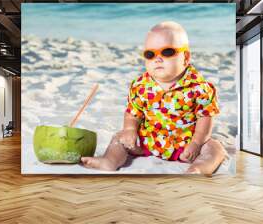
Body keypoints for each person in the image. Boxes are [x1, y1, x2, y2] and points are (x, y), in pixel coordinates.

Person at [81, 21, 228, 175]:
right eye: (150, 54)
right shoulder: (140, 85)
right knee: (119, 138)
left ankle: (198, 169)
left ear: (185, 57)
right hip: (148, 142)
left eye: (167, 52)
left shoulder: (199, 87)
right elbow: (133, 112)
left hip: (186, 145)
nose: (157, 59)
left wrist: (197, 143)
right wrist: (130, 129)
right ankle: (109, 161)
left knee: (215, 148)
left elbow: (205, 118)